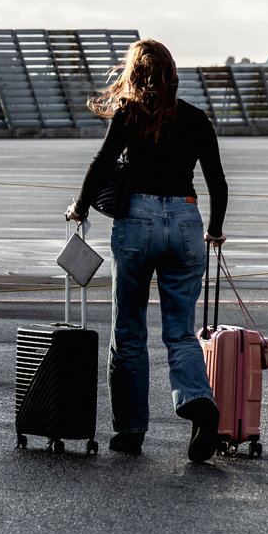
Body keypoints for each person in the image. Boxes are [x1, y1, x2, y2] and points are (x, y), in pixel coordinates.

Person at [66, 38, 228, 462]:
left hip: (136, 221)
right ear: (173, 74)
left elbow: (101, 163)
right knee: (179, 330)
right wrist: (214, 230)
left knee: (129, 332)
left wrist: (79, 206)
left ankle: (131, 432)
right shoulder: (195, 119)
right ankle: (198, 405)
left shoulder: (129, 114)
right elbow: (218, 182)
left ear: (134, 74)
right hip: (187, 219)